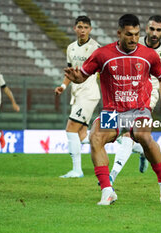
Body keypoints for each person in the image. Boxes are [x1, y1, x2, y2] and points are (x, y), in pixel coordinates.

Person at [64, 14, 161, 205]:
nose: (133, 39)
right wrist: (76, 78)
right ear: (119, 33)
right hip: (112, 112)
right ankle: (108, 191)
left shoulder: (148, 55)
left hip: (139, 109)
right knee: (95, 137)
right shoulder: (103, 54)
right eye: (129, 34)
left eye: (136, 34)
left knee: (143, 136)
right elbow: (83, 75)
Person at [110, 15, 161, 183]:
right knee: (116, 133)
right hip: (124, 93)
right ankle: (141, 150)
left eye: (158, 30)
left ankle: (112, 175)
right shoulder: (133, 43)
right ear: (146, 29)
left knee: (128, 133)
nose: (154, 33)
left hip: (148, 96)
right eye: (152, 29)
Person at [54, 16, 100, 178]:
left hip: (89, 94)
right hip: (77, 94)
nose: (82, 30)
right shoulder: (71, 48)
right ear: (75, 28)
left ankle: (77, 170)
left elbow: (103, 71)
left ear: (90, 30)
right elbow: (70, 72)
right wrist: (63, 86)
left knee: (70, 129)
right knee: (81, 135)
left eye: (86, 27)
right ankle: (121, 141)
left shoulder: (96, 48)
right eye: (80, 27)